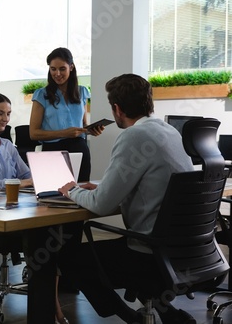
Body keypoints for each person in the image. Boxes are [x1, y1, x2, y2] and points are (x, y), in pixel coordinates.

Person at [57, 74, 195, 324]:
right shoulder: (169, 131)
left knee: (69, 257)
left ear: (117, 109)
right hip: (182, 250)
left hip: (150, 254)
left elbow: (101, 205)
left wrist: (72, 190)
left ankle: (129, 318)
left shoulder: (133, 136)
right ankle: (170, 315)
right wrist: (99, 190)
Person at [0, 92, 69, 324]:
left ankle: (49, 299)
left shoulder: (8, 146)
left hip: (13, 209)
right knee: (43, 233)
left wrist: (46, 176)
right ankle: (52, 305)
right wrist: (19, 183)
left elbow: (27, 175)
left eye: (8, 114)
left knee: (53, 229)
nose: (5, 119)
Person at [29, 47, 103, 182]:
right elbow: (33, 133)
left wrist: (91, 130)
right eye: (53, 69)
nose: (57, 73)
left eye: (62, 69)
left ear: (71, 67)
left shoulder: (82, 92)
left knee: (82, 190)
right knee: (54, 193)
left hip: (80, 150)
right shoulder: (41, 95)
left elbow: (83, 125)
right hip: (53, 152)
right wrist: (64, 133)